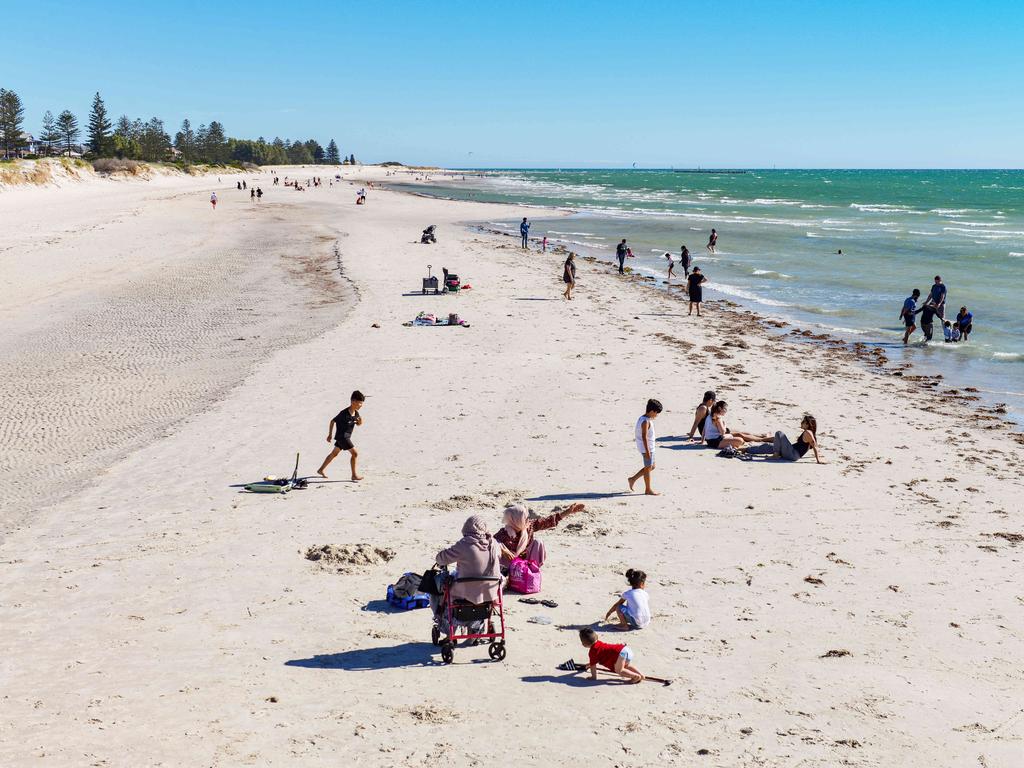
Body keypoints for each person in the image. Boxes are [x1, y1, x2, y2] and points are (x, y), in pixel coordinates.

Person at [435, 515, 503, 605]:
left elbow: (440, 559)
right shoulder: (494, 544)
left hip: (465, 591)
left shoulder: (464, 544)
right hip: (491, 591)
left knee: (437, 582)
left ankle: (439, 614)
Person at [494, 502, 585, 569]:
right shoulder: (503, 533)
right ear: (515, 519)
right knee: (498, 546)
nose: (527, 520)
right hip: (509, 564)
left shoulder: (529, 526)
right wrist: (503, 550)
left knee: (538, 542)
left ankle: (533, 569)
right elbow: (490, 542)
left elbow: (548, 521)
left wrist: (568, 512)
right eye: (524, 518)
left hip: (526, 562)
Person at [316, 390, 365, 480]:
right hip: (343, 437)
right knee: (355, 454)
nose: (361, 405)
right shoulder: (344, 413)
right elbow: (332, 421)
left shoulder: (356, 413)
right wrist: (330, 435)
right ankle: (354, 475)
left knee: (334, 454)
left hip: (344, 437)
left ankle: (320, 469)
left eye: (362, 403)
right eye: (359, 403)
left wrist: (360, 422)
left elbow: (358, 423)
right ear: (353, 401)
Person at [579, 627, 643, 683]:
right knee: (626, 666)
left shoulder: (593, 652)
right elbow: (596, 659)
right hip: (625, 649)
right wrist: (589, 664)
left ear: (584, 644)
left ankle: (635, 676)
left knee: (619, 670)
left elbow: (593, 666)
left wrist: (593, 677)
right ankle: (640, 675)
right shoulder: (599, 643)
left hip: (620, 653)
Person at [703, 400, 770, 451]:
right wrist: (724, 425)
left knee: (740, 434)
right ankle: (762, 439)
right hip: (715, 442)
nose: (726, 411)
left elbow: (704, 429)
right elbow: (722, 432)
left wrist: (702, 440)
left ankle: (761, 437)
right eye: (725, 409)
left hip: (711, 440)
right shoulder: (718, 418)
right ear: (720, 409)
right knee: (740, 440)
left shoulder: (709, 416)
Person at [628, 399, 662, 495]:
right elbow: (644, 437)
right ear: (652, 411)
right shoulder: (645, 422)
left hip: (649, 447)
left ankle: (632, 479)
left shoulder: (644, 419)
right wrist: (647, 451)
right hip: (646, 448)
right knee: (648, 468)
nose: (656, 415)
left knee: (652, 466)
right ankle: (648, 489)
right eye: (656, 413)